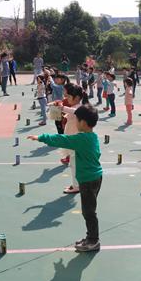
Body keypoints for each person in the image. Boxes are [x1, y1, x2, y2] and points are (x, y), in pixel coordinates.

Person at [28, 105, 103, 252]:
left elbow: (62, 139)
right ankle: (90, 237)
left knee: (88, 212)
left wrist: (41, 137)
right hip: (95, 177)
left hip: (88, 180)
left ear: (83, 122)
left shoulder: (81, 139)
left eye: (77, 120)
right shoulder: (93, 136)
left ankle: (93, 241)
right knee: (89, 210)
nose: (75, 123)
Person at [59, 84, 89, 194]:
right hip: (73, 141)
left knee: (74, 165)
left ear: (76, 98)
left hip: (76, 142)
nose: (66, 98)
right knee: (74, 164)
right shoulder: (75, 107)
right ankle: (77, 184)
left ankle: (77, 186)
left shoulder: (79, 108)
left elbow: (75, 112)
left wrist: (62, 108)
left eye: (68, 96)